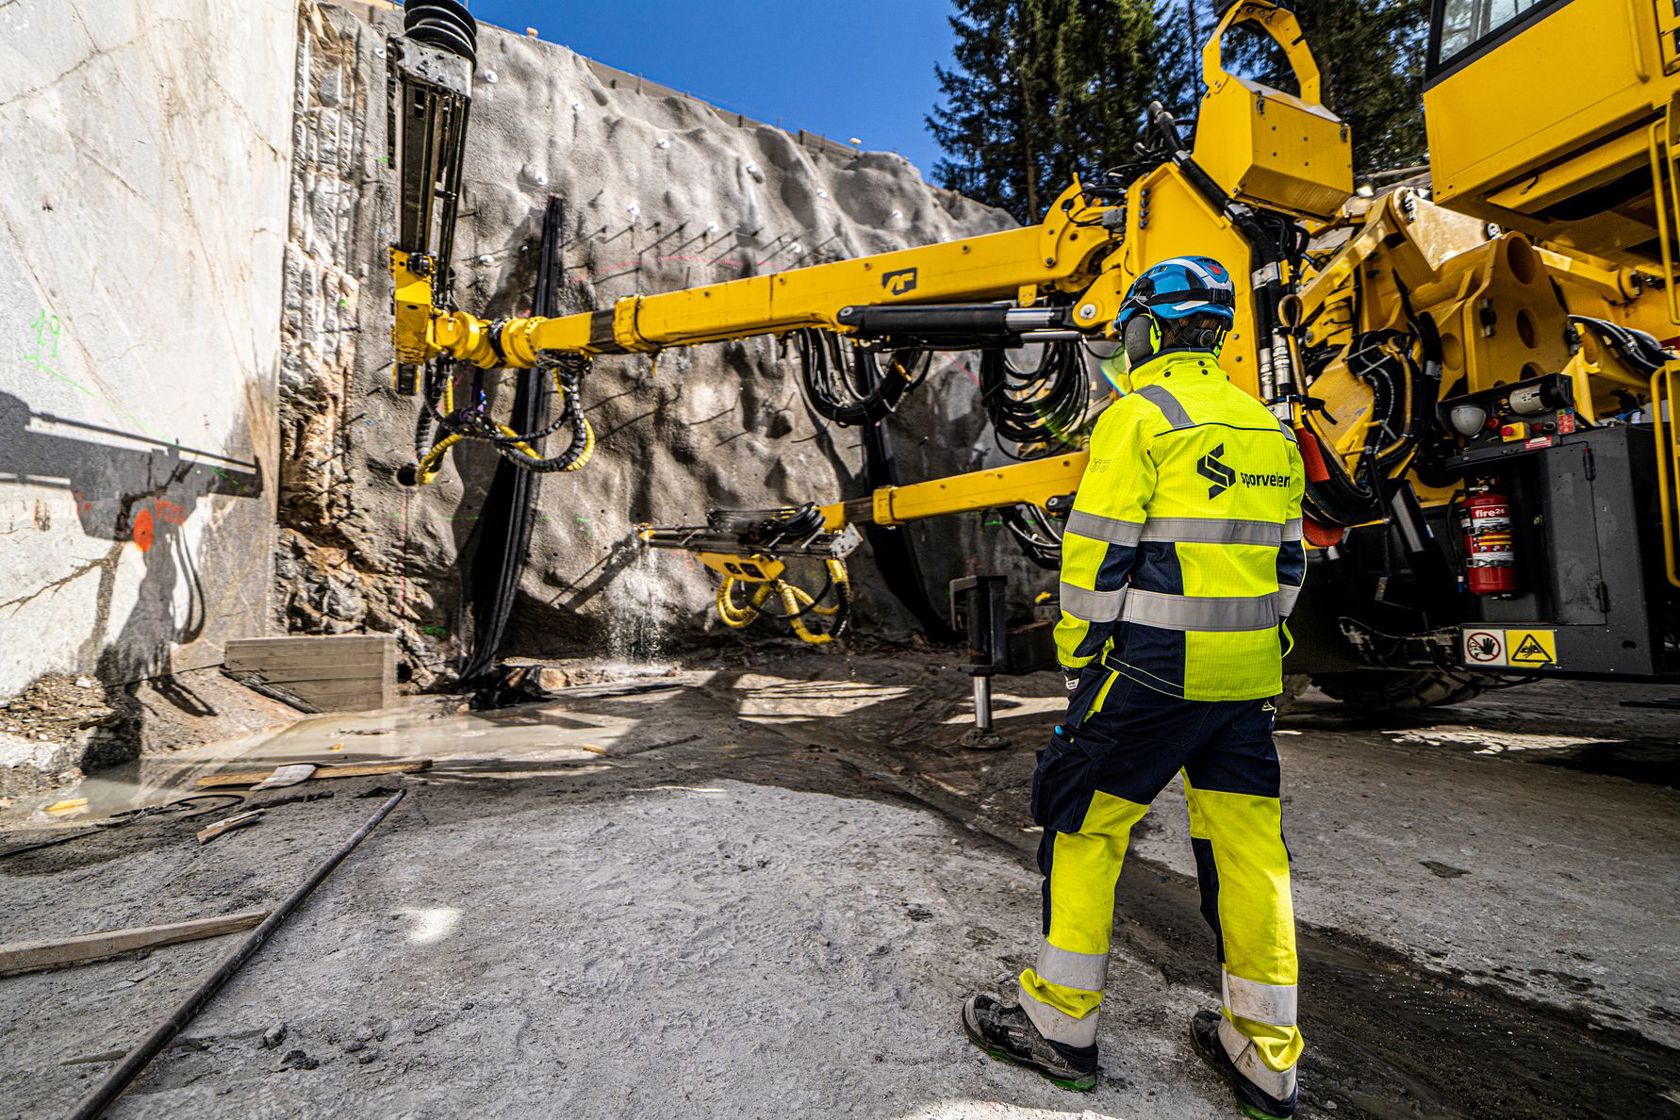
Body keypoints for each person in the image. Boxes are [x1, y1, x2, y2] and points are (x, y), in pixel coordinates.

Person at [961, 256, 1308, 1119]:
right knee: (1251, 854)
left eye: (1128, 329)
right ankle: (1265, 1055)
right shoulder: (1268, 427)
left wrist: (1080, 658)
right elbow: (1289, 566)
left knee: (1084, 823)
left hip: (1151, 672)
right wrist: (1254, 648)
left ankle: (1058, 1022)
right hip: (1247, 678)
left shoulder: (1139, 418)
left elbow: (1095, 560)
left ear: (1148, 328)